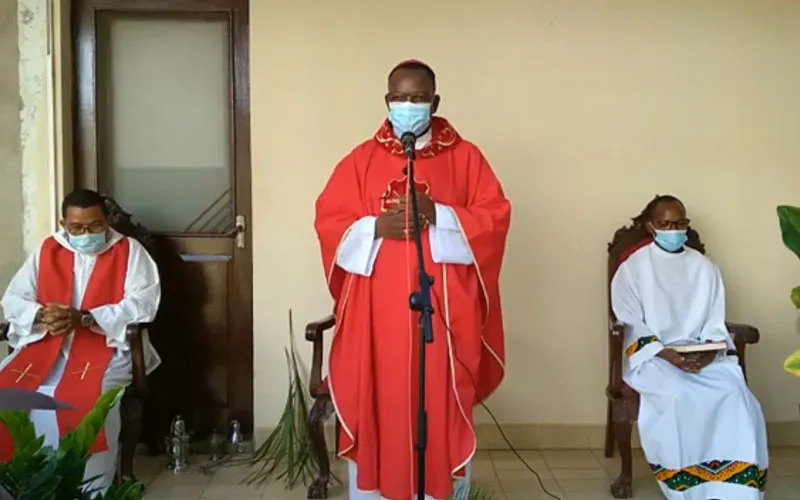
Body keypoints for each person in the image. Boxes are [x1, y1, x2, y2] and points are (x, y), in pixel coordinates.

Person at [314, 60, 511, 500]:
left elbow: (495, 218)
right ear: (387, 102)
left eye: (418, 98)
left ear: (434, 102)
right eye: (400, 98)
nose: (408, 105)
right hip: (376, 319)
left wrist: (439, 215)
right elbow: (329, 221)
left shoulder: (466, 158)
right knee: (380, 403)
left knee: (436, 407)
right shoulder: (361, 159)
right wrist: (373, 228)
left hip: (440, 318)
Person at [0, 188, 161, 492]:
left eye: (94, 226)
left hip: (106, 346)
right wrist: (41, 315)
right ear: (64, 224)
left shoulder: (129, 251)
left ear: (107, 221)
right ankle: (16, 487)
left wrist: (86, 318)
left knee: (88, 399)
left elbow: (143, 304)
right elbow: (15, 298)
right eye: (77, 228)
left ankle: (89, 489)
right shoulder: (48, 249)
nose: (86, 234)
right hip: (47, 346)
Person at [611, 195, 768, 500]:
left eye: (680, 223)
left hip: (700, 352)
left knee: (734, 394)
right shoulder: (634, 268)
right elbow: (629, 321)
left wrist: (709, 352)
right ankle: (687, 488)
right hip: (655, 356)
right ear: (651, 226)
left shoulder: (704, 267)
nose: (674, 230)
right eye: (665, 224)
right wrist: (666, 353)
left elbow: (714, 319)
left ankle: (733, 489)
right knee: (677, 395)